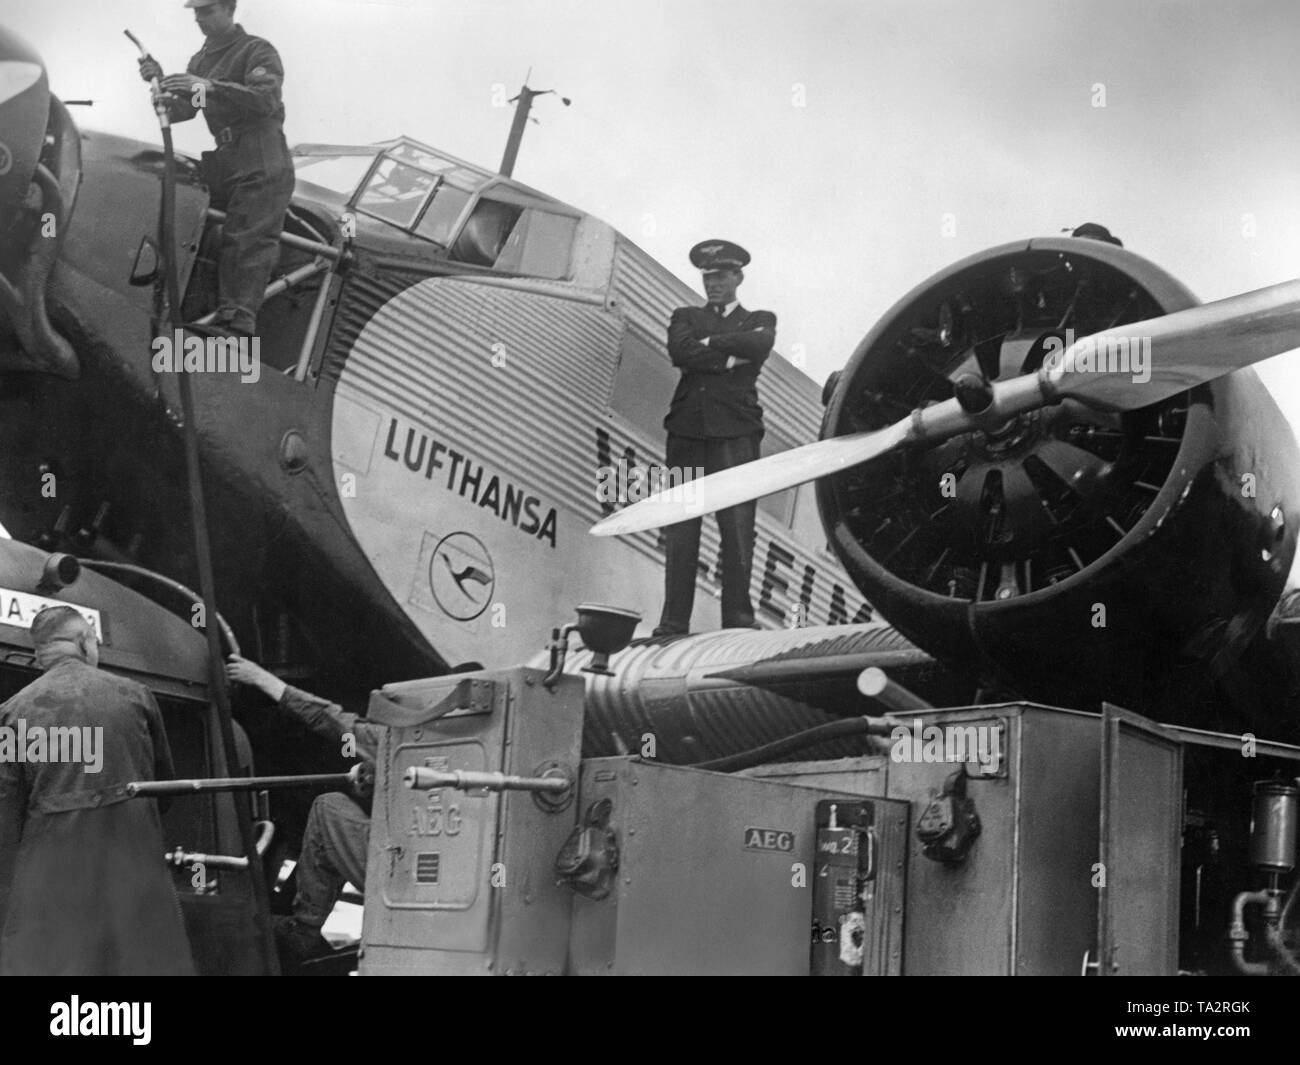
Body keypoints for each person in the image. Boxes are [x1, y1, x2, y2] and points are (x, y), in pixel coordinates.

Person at [0, 606, 194, 975]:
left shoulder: (12, 713)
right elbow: (165, 790)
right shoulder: (136, 696)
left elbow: (6, 816)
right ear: (85, 640)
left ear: (40, 653)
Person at [138, 0, 295, 337]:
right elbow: (189, 109)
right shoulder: (203, 60)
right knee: (196, 219)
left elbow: (265, 99)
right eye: (195, 12)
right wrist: (162, 85)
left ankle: (236, 324)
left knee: (247, 235)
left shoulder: (255, 50)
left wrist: (209, 86)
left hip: (260, 152)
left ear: (229, 9)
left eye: (206, 10)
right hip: (227, 157)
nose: (198, 18)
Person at [653, 239, 776, 636]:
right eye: (708, 277)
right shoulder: (684, 316)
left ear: (738, 276)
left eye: (721, 277)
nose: (713, 284)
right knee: (680, 526)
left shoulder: (761, 317)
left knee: (737, 528)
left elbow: (759, 345)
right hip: (687, 431)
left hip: (736, 433)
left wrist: (707, 345)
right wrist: (727, 358)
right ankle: (673, 622)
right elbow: (679, 352)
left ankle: (737, 618)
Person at [225, 654, 379, 967]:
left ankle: (305, 928)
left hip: (403, 872)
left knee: (327, 807)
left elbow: (330, 720)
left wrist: (262, 679)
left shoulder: (411, 735)